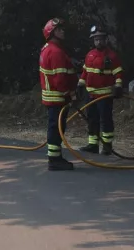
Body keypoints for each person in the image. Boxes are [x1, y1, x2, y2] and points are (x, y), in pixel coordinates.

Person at [39, 18, 79, 171]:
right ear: (52, 32)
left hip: (53, 97)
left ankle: (55, 157)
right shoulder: (55, 52)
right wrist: (69, 93)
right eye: (59, 29)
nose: (63, 31)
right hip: (57, 97)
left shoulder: (48, 49)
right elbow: (60, 78)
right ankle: (54, 160)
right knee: (56, 128)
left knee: (56, 127)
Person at [77, 25, 123, 156]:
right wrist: (80, 84)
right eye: (96, 39)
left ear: (106, 39)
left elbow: (118, 73)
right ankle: (93, 144)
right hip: (90, 95)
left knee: (105, 120)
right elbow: (85, 72)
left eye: (101, 39)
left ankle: (107, 146)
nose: (98, 42)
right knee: (92, 119)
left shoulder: (112, 56)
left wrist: (118, 86)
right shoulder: (90, 55)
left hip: (104, 96)